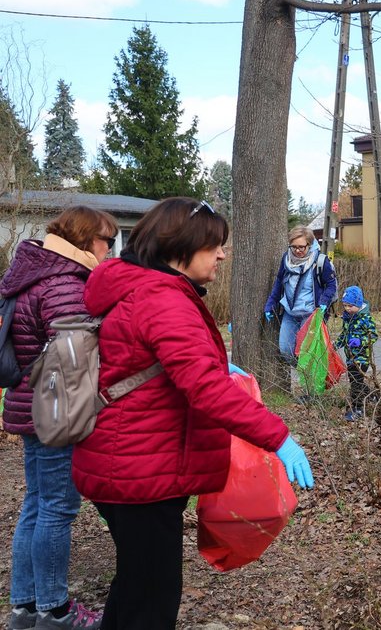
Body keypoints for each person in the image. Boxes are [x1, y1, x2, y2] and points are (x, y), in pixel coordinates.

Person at [72, 198, 315, 630]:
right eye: (214, 245)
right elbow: (204, 389)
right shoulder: (162, 298)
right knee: (151, 599)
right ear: (180, 247)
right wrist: (278, 438)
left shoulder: (143, 287)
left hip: (131, 462)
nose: (222, 254)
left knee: (137, 586)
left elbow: (165, 364)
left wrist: (217, 365)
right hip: (138, 470)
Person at [0, 206, 118, 630]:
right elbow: (74, 358)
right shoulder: (63, 280)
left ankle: (24, 608)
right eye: (107, 241)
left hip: (30, 404)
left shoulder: (31, 271)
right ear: (86, 240)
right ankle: (55, 610)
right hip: (54, 413)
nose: (110, 250)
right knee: (56, 509)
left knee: (35, 506)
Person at [263, 226, 337, 362]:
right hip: (290, 313)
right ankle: (304, 372)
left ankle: (311, 379)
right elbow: (279, 282)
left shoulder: (320, 261)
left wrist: (324, 302)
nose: (297, 250)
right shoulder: (286, 259)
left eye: (301, 247)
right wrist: (270, 305)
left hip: (310, 314)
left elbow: (331, 285)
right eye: (294, 247)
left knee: (307, 352)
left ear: (309, 244)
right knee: (286, 350)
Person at [334, 285, 378, 421]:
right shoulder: (348, 318)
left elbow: (373, 335)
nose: (347, 309)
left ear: (358, 304)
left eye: (351, 306)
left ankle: (358, 409)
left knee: (356, 383)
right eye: (345, 305)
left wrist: (360, 341)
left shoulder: (365, 318)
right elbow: (344, 334)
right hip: (350, 357)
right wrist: (336, 345)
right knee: (356, 380)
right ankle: (373, 395)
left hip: (362, 357)